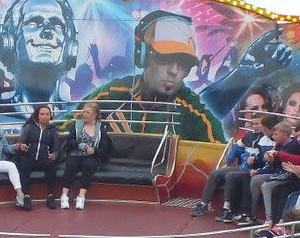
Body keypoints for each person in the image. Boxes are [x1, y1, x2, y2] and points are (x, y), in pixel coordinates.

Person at [86, 11, 224, 142]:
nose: (174, 70)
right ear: (143, 55)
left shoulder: (194, 114)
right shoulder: (112, 93)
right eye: (165, 58)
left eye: (184, 64)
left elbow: (220, 156)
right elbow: (66, 127)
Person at [0, 0, 79, 107]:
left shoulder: (77, 115)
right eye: (33, 23)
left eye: (57, 25)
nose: (47, 32)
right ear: (9, 43)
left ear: (71, 48)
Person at [192, 114, 265, 218]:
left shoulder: (266, 139)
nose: (254, 126)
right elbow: (237, 149)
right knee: (215, 173)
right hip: (241, 167)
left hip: (251, 170)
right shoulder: (248, 136)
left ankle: (227, 208)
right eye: (252, 124)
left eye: (257, 124)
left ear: (264, 125)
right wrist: (227, 162)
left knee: (230, 175)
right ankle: (203, 204)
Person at [60, 102, 112, 210]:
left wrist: (93, 151)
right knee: (71, 165)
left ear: (95, 115)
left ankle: (81, 196)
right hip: (76, 152)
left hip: (92, 155)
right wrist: (79, 145)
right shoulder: (76, 125)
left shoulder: (101, 128)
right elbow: (69, 141)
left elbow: (104, 149)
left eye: (87, 112)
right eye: (83, 112)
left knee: (88, 165)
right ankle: (64, 195)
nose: (84, 114)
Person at [16, 105, 59, 210]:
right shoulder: (29, 127)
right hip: (29, 157)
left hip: (44, 158)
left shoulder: (53, 130)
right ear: (37, 116)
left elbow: (56, 147)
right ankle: (26, 196)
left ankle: (50, 196)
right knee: (24, 166)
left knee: (51, 167)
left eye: (47, 114)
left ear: (50, 116)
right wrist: (21, 146)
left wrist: (55, 155)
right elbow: (21, 143)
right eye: (42, 114)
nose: (45, 116)